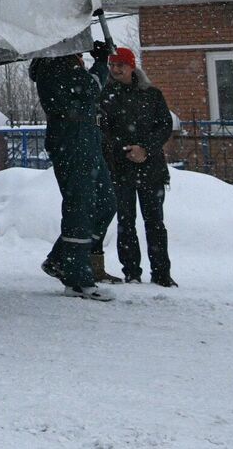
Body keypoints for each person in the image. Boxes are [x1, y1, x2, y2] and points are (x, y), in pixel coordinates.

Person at [30, 52, 117, 301]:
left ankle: (61, 259)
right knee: (80, 207)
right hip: (73, 140)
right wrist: (100, 63)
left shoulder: (66, 65)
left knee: (105, 203)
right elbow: (92, 87)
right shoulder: (54, 64)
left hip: (86, 138)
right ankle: (77, 276)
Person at [97, 46, 176, 286]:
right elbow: (104, 131)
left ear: (132, 66)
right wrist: (125, 150)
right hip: (120, 169)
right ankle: (131, 271)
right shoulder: (106, 95)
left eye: (120, 64)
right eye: (112, 65)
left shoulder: (151, 94)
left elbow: (164, 126)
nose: (115, 69)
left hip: (151, 169)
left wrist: (145, 149)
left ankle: (161, 273)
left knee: (155, 222)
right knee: (125, 222)